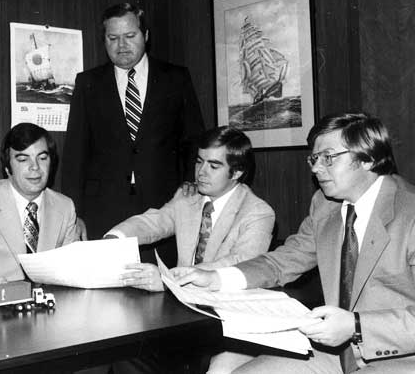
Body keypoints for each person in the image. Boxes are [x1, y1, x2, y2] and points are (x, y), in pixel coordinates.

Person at [174, 112, 415, 374]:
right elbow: (285, 260)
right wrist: (216, 278)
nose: (315, 168)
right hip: (338, 352)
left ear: (367, 158)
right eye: (314, 158)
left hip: (400, 356)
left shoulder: (409, 211)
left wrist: (356, 326)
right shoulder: (325, 205)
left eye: (328, 158)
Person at [62, 2, 204, 241]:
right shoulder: (88, 83)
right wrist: (73, 214)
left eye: (130, 36)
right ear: (104, 40)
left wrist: (191, 180)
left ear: (146, 35)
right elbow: (75, 154)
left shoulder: (176, 79)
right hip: (103, 209)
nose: (122, 45)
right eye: (113, 38)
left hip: (163, 207)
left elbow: (194, 138)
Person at [106, 126, 275, 292]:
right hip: (183, 300)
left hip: (224, 303)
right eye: (199, 162)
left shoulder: (258, 213)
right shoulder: (188, 196)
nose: (201, 172)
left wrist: (169, 279)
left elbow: (240, 263)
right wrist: (116, 237)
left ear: (237, 172)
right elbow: (155, 221)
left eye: (213, 166)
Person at [0, 123, 80, 288]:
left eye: (42, 157)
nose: (35, 167)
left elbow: (72, 266)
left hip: (47, 305)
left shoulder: (65, 206)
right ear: (7, 167)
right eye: (23, 159)